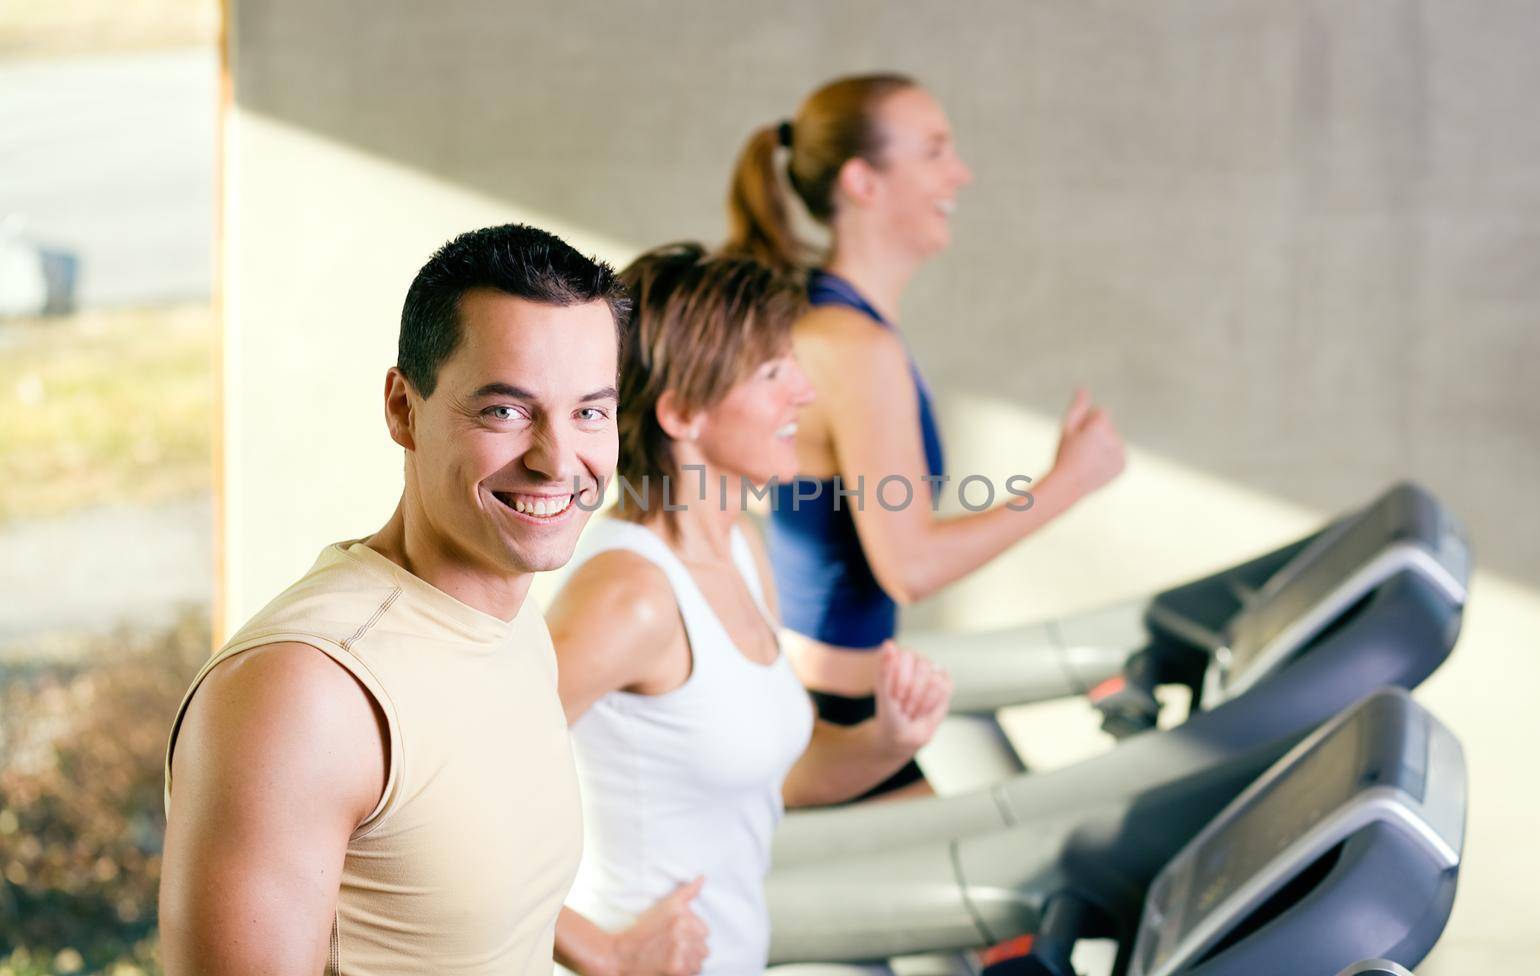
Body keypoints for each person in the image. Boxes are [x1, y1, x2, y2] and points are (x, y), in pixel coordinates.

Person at [160, 224, 628, 976]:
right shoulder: (306, 692)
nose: (556, 460)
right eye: (505, 411)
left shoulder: (512, 622)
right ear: (403, 410)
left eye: (589, 412)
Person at [548, 243, 952, 976]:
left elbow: (774, 773)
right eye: (773, 373)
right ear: (682, 412)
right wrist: (602, 954)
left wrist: (887, 744)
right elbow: (440, 804)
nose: (803, 392)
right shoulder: (628, 599)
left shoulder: (740, 546)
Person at [723, 74, 1127, 798]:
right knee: (1024, 911)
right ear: (862, 181)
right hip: (830, 718)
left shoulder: (846, 324)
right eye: (935, 151)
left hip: (838, 694)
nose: (960, 173)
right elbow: (907, 567)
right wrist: (1071, 479)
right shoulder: (850, 345)